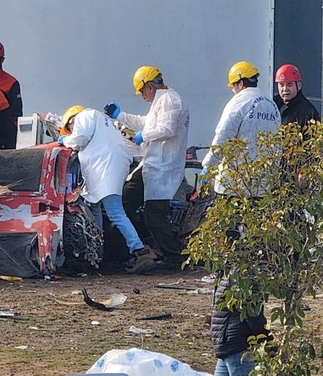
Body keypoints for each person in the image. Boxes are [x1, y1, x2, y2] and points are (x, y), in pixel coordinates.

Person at [104, 66, 189, 269]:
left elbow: (165, 129)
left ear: (149, 86)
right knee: (127, 202)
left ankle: (172, 258)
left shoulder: (170, 100)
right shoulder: (162, 101)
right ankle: (127, 251)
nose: (142, 96)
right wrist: (121, 115)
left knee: (154, 215)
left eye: (142, 91)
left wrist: (143, 136)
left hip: (162, 166)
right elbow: (147, 123)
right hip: (152, 165)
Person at [57, 105, 157, 274]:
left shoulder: (84, 117)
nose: (72, 131)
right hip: (112, 166)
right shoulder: (103, 122)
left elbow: (79, 139)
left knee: (115, 211)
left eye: (70, 129)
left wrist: (64, 140)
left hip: (106, 168)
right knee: (94, 207)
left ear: (71, 120)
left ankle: (140, 251)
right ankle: (98, 253)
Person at [202, 61, 280, 196]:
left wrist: (208, 166)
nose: (233, 90)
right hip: (262, 186)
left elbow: (223, 137)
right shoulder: (271, 105)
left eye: (233, 86)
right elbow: (278, 143)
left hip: (234, 185)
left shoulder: (237, 103)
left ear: (240, 83)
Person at [210, 278, 268, 376]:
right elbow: (252, 314)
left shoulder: (225, 277)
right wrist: (267, 340)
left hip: (223, 344)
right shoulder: (245, 278)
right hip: (238, 345)